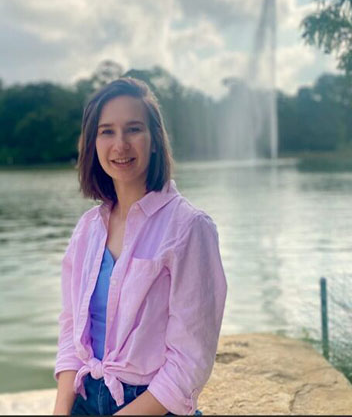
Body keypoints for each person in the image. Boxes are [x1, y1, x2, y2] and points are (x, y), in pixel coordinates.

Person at [52, 77, 227, 415]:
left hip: (153, 405)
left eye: (133, 129)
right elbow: (71, 333)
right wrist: (61, 411)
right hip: (85, 399)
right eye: (107, 131)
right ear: (92, 143)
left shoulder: (189, 228)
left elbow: (189, 361)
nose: (120, 144)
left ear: (155, 140)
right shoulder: (87, 230)